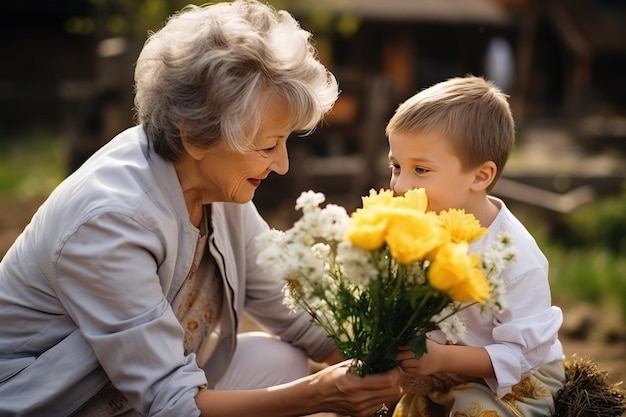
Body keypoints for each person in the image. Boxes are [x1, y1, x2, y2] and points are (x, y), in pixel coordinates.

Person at [0, 1, 401, 416]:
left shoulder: (214, 187)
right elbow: (172, 405)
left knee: (280, 362)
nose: (282, 165)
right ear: (194, 136)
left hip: (122, 396)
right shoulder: (111, 219)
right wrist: (321, 395)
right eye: (267, 145)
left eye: (284, 142)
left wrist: (393, 364)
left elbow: (300, 316)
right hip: (55, 404)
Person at [385, 75, 565, 417]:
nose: (400, 185)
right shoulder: (419, 225)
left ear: (480, 176)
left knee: (473, 409)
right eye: (396, 166)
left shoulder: (513, 257)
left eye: (420, 169)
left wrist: (444, 358)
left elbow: (523, 354)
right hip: (439, 363)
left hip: (514, 377)